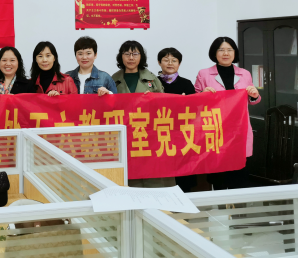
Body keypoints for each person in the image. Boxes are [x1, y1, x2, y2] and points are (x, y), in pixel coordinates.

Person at [195, 37, 261, 190]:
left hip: (239, 129)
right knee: (219, 176)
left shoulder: (244, 74)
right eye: (221, 50)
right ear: (214, 53)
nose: (226, 53)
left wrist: (255, 95)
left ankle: (237, 204)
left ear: (234, 53)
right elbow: (194, 100)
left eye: (229, 50)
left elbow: (252, 100)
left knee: (239, 174)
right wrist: (202, 94)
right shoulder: (204, 74)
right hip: (216, 129)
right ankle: (220, 202)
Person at [112, 40, 169, 188]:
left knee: (152, 173)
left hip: (149, 133)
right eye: (127, 54)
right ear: (121, 56)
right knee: (129, 173)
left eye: (135, 54)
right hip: (125, 135)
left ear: (141, 56)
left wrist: (153, 99)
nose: (131, 58)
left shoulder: (152, 79)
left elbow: (164, 106)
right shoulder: (113, 80)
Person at [157, 47, 196, 192]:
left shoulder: (186, 83)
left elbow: (196, 110)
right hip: (160, 134)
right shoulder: (153, 83)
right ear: (159, 62)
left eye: (174, 60)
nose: (170, 63)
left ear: (179, 64)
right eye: (166, 60)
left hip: (182, 134)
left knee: (183, 175)